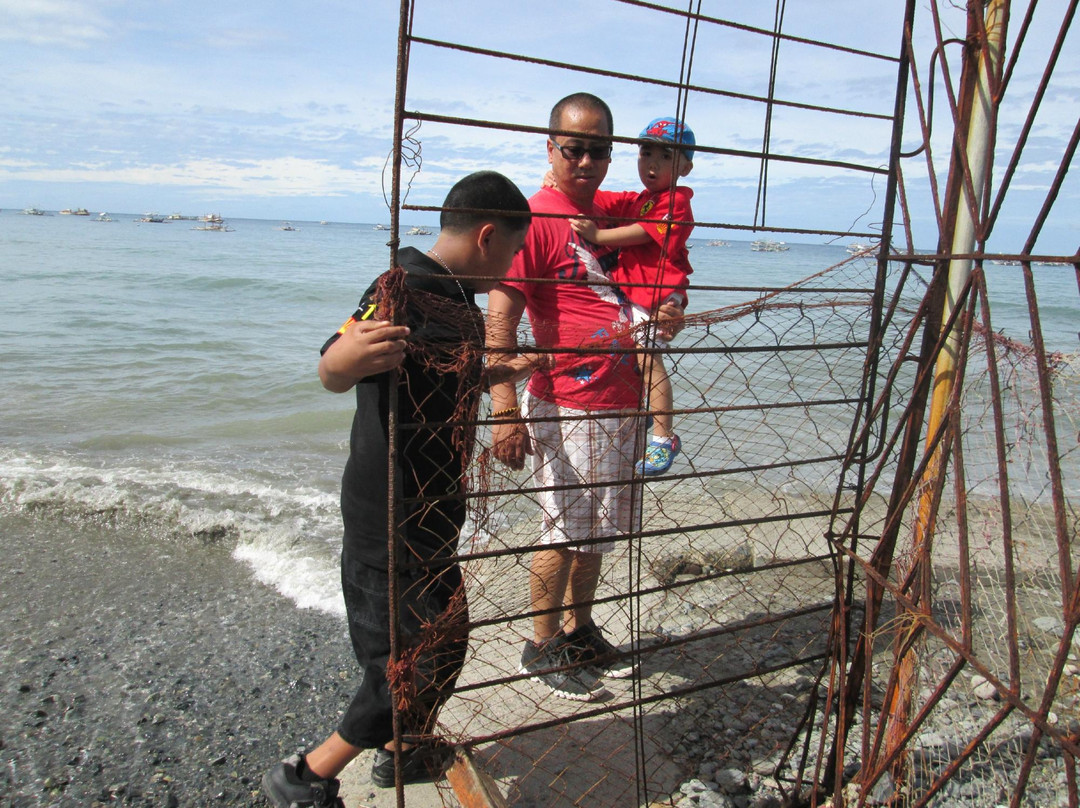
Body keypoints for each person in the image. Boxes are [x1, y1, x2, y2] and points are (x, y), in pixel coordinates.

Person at [262, 170, 532, 808]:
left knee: (446, 635)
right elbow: (335, 360)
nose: (516, 266)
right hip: (391, 512)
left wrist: (502, 368)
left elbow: (431, 378)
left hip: (432, 509)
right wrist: (343, 358)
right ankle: (304, 776)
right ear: (489, 235)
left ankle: (400, 753)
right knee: (410, 659)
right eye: (515, 250)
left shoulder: (459, 304)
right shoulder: (404, 287)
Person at [487, 94, 684, 702]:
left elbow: (660, 247)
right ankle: (540, 645)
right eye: (574, 149)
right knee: (561, 532)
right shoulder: (537, 220)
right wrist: (504, 410)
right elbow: (500, 318)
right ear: (551, 148)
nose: (587, 161)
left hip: (622, 397)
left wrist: (672, 308)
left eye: (600, 149)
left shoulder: (604, 210)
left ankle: (578, 630)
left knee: (597, 532)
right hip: (570, 402)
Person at [568, 116, 695, 476]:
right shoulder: (642, 199)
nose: (651, 164)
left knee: (650, 361)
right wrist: (563, 190)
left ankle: (663, 437)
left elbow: (641, 233)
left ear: (685, 167)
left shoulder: (676, 202)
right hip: (641, 294)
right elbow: (602, 199)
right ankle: (652, 424)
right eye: (645, 152)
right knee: (641, 361)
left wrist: (598, 236)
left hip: (657, 296)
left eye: (666, 156)